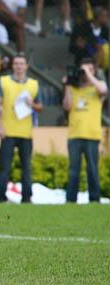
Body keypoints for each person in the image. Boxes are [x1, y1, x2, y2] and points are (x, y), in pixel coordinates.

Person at [0, 53, 43, 203]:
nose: (19, 66)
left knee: (26, 167)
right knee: (4, 167)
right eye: (16, 63)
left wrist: (32, 104)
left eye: (22, 63)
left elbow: (40, 107)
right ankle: (1, 196)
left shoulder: (34, 84)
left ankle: (27, 197)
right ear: (12, 66)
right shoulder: (3, 81)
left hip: (25, 132)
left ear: (27, 66)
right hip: (7, 131)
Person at [62, 58, 108, 203]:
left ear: (94, 71)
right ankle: (71, 200)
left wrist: (89, 73)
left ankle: (94, 199)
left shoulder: (97, 87)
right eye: (84, 70)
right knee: (73, 170)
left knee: (92, 170)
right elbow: (67, 107)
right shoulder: (74, 88)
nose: (86, 72)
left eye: (90, 69)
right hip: (74, 135)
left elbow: (103, 90)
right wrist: (68, 87)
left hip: (92, 135)